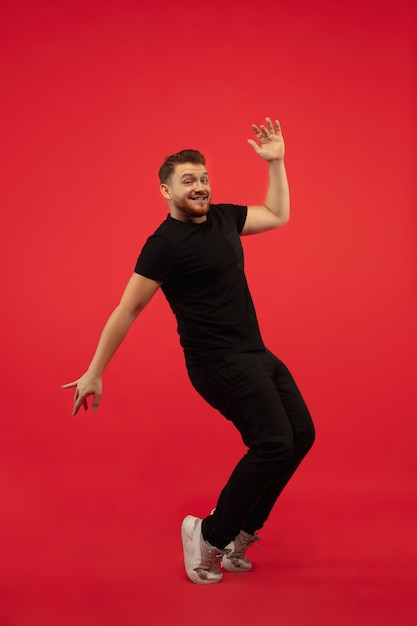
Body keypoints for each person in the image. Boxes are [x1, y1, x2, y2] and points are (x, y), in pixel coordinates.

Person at [63, 117, 315, 585]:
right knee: (273, 442)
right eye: (187, 181)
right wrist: (94, 371)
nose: (199, 187)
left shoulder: (222, 217)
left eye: (203, 178)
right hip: (216, 363)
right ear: (165, 191)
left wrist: (276, 163)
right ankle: (208, 535)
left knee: (301, 435)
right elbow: (127, 309)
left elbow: (277, 215)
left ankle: (241, 530)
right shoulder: (164, 245)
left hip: (254, 352)